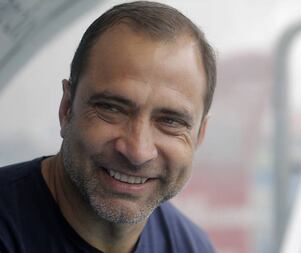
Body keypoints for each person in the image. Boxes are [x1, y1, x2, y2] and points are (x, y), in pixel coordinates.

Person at [0, 1, 217, 253]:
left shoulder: (191, 247)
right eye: (112, 108)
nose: (137, 151)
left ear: (199, 135)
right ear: (66, 108)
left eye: (170, 121)